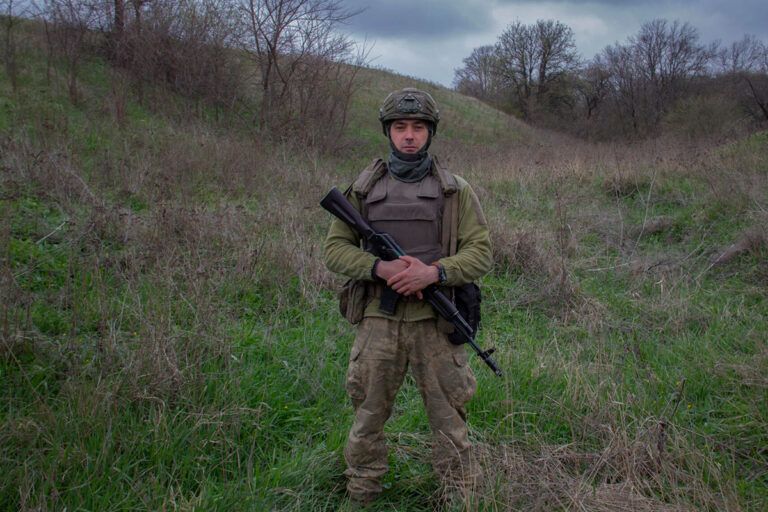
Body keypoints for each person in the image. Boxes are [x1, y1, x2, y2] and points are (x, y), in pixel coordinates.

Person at [323, 87, 493, 505]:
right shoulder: (363, 189)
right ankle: (362, 493)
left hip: (435, 325)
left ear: (430, 132)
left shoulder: (455, 190)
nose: (410, 135)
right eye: (400, 127)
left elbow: (481, 252)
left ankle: (459, 496)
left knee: (449, 421)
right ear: (389, 131)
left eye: (418, 127)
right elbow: (335, 249)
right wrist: (379, 268)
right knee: (367, 418)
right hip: (378, 323)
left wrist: (433, 273)